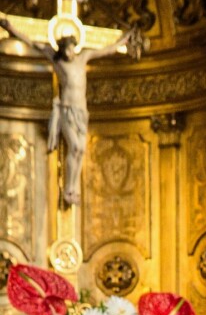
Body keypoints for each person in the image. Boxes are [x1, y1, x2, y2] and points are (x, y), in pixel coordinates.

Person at [0, 18, 137, 207]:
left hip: (81, 111)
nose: (70, 53)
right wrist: (11, 28)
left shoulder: (83, 57)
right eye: (66, 50)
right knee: (75, 146)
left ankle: (74, 189)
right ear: (62, 50)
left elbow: (106, 50)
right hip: (66, 110)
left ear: (75, 48)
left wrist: (124, 40)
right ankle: (69, 189)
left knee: (81, 149)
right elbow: (32, 43)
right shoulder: (57, 60)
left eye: (72, 49)